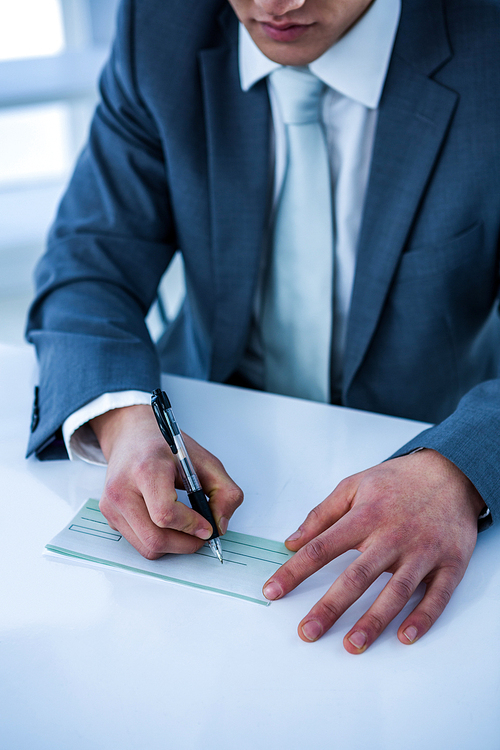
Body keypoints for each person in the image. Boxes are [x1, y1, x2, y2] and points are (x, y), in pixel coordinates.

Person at [26, 0, 500, 654]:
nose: (277, 4)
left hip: (425, 442)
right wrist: (124, 419)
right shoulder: (161, 25)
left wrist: (459, 469)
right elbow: (91, 258)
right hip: (207, 435)